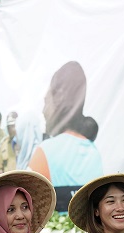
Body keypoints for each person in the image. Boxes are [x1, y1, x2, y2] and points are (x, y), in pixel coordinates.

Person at [28, 61, 103, 210]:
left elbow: (30, 208)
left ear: (58, 101)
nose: (43, 111)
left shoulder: (45, 151)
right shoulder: (93, 151)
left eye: (45, 102)